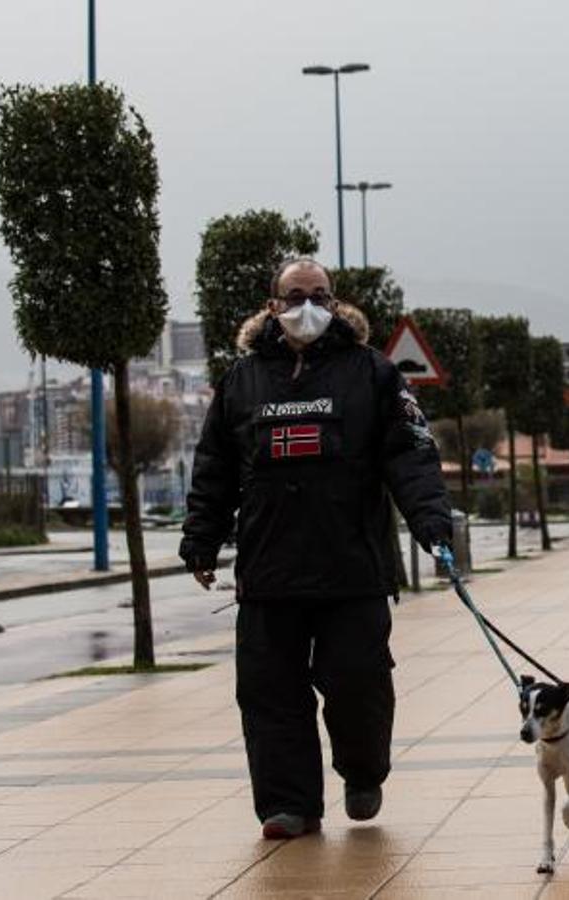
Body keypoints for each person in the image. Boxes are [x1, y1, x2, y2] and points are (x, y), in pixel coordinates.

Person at [180, 258, 453, 841]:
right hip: (269, 574)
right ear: (273, 307)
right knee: (269, 694)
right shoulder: (242, 381)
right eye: (296, 295)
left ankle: (362, 773)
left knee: (358, 683)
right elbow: (214, 469)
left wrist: (432, 526)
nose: (309, 306)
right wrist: (201, 539)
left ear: (335, 303)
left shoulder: (373, 374)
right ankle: (287, 803)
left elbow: (410, 454)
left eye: (320, 295)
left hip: (351, 570)